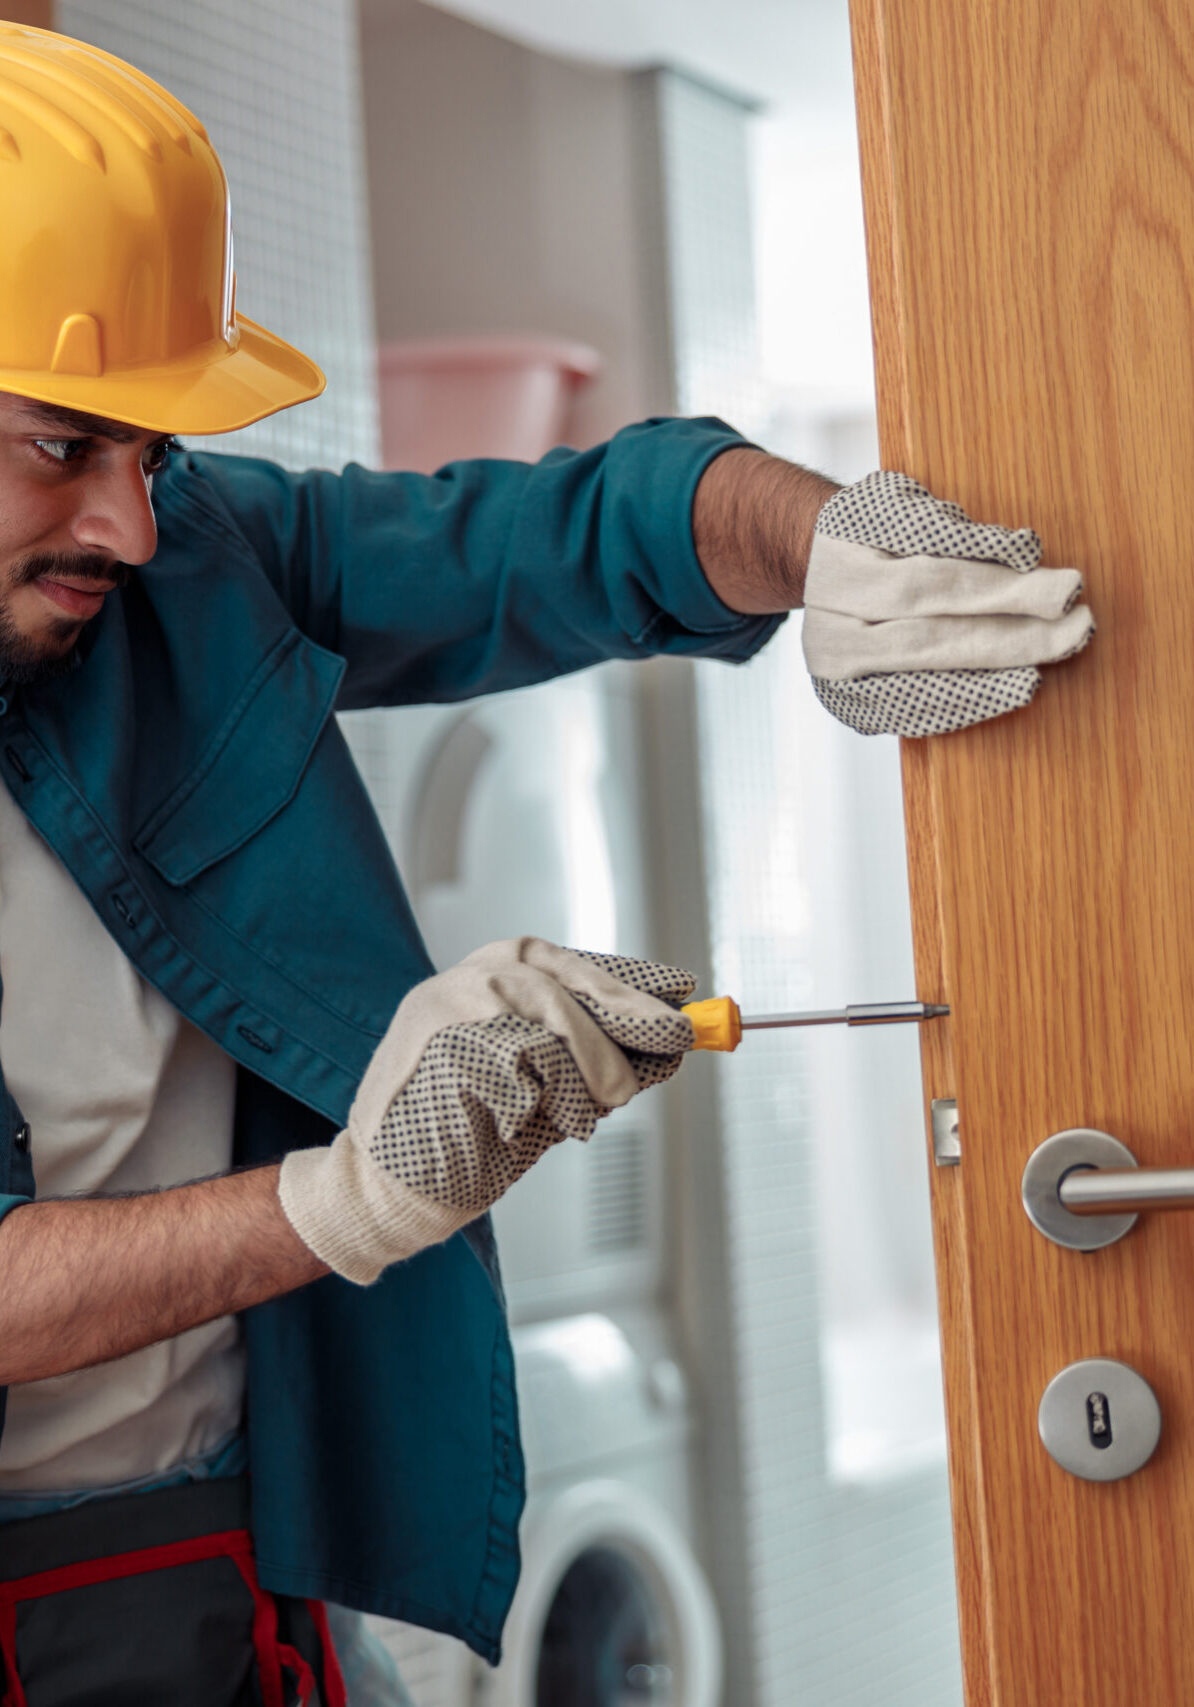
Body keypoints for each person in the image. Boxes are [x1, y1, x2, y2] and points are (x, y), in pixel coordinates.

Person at [0, 21, 1094, 1705]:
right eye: (65, 446)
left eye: (150, 456)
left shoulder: (185, 571)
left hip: (243, 1556)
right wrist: (356, 1195)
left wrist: (831, 541)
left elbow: (563, 532)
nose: (130, 528)